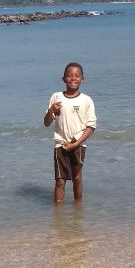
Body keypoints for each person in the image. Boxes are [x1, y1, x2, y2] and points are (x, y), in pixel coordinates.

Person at [44, 62, 96, 204]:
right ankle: (57, 212)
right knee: (60, 181)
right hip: (60, 144)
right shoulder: (56, 97)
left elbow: (91, 127)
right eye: (69, 76)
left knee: (77, 178)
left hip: (77, 144)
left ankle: (78, 209)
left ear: (82, 79)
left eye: (77, 76)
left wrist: (76, 144)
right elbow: (47, 123)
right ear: (63, 79)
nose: (73, 78)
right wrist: (51, 111)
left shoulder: (86, 100)